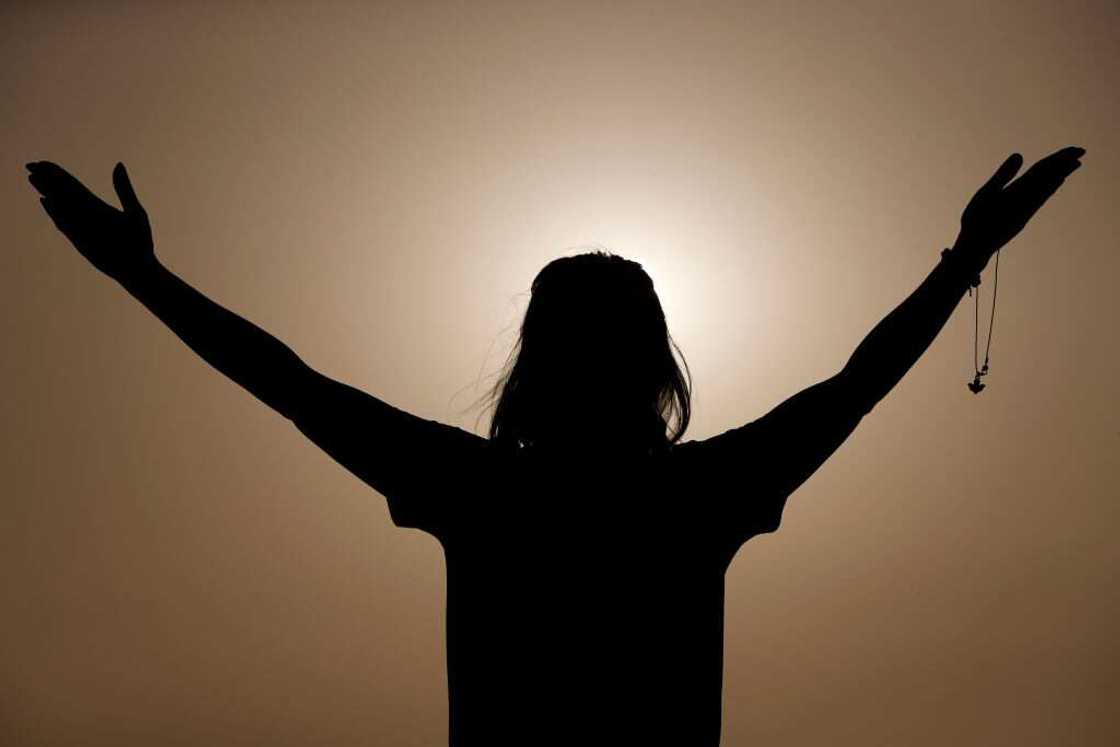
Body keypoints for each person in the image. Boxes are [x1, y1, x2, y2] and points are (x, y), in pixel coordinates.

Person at [26, 146, 1084, 746]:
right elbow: (857, 386)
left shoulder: (478, 488)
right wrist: (962, 262)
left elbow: (289, 385)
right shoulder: (702, 492)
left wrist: (143, 279)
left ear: (530, 367)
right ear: (658, 373)